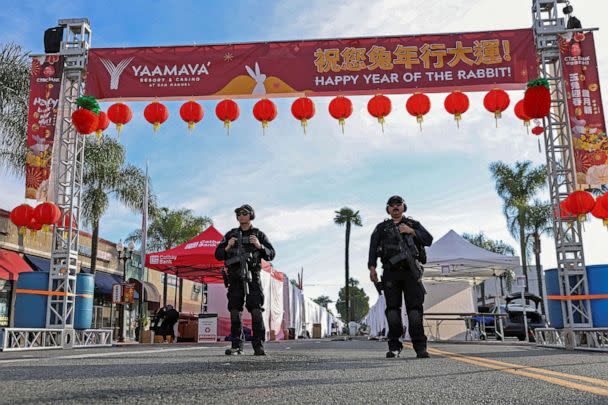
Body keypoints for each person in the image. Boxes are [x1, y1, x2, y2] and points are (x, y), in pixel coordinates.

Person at [368, 195, 433, 359]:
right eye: (392, 205)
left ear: (404, 207)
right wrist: (372, 268)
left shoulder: (413, 224)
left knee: (415, 312)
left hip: (411, 272)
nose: (395, 207)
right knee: (392, 312)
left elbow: (429, 239)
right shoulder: (381, 228)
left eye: (398, 204)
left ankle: (420, 347)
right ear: (388, 209)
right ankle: (394, 347)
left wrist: (411, 231)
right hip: (391, 272)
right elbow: (373, 248)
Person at [215, 204, 275, 356]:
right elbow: (218, 254)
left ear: (251, 215)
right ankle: (236, 345)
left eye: (244, 213)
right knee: (235, 311)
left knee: (255, 310)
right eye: (238, 214)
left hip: (252, 276)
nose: (241, 216)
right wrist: (228, 246)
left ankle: (258, 346)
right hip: (235, 277)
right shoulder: (231, 234)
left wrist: (259, 245)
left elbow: (271, 253)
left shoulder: (258, 234)